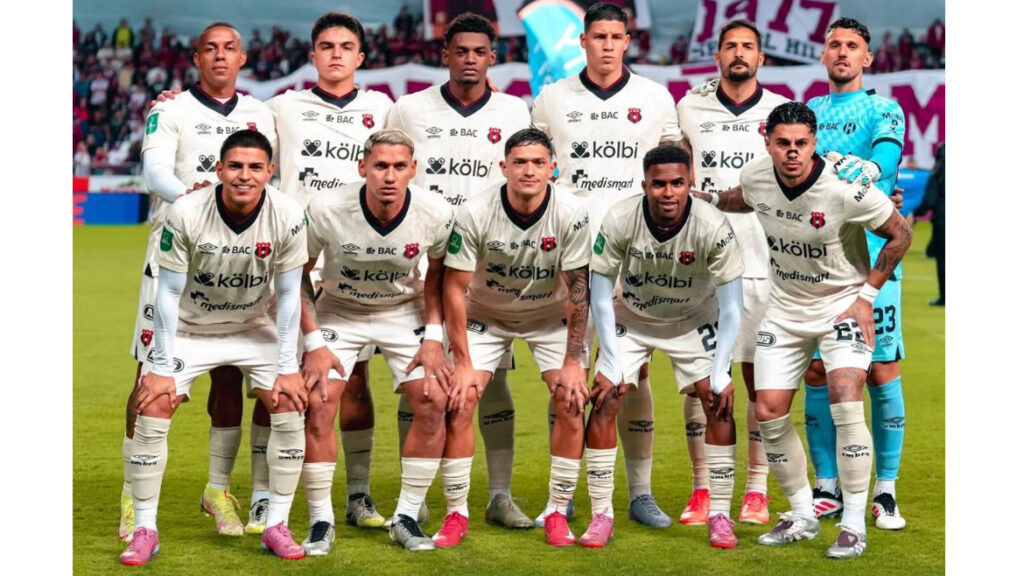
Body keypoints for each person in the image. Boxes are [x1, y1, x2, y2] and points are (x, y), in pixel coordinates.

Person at [694, 101, 912, 558]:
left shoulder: (845, 188)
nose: (792, 152)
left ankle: (853, 524)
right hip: (785, 310)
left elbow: (901, 234)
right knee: (768, 411)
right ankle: (802, 515)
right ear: (767, 143)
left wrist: (866, 297)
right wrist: (710, 200)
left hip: (841, 308)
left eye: (801, 143)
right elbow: (743, 198)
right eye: (783, 143)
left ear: (814, 144)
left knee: (845, 401)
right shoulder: (757, 176)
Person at [119, 130, 309, 565]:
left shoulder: (288, 214)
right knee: (154, 403)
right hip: (190, 327)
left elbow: (289, 295)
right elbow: (167, 294)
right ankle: (144, 528)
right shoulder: (185, 211)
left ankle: (277, 524)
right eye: (235, 166)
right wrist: (161, 366)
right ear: (219, 169)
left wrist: (287, 366)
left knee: (289, 401)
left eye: (255, 167)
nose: (245, 175)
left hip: (252, 326)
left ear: (269, 172)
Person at [123, 22, 279, 542]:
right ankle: (132, 495)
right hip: (175, 252)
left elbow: (271, 177)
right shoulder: (170, 110)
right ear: (196, 58)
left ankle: (218, 489)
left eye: (229, 48)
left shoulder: (261, 113)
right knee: (150, 373)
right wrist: (198, 202)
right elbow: (155, 174)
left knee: (230, 371)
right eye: (210, 48)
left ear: (242, 58)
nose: (219, 56)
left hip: (239, 257)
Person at [530, 1, 683, 529]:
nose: (608, 45)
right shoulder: (551, 99)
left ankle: (640, 493)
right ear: (583, 41)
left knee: (633, 374)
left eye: (617, 37)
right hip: (569, 257)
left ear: (628, 41)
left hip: (636, 256)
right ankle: (564, 491)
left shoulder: (655, 98)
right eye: (599, 36)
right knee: (567, 374)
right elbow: (539, 173)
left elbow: (672, 175)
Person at [385, 12, 533, 536]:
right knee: (421, 381)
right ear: (444, 53)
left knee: (490, 381)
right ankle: (419, 496)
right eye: (460, 50)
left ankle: (499, 495)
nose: (470, 59)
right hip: (420, 263)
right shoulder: (409, 108)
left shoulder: (514, 109)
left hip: (486, 269)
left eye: (479, 51)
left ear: (493, 56)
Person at [267, 11, 394, 536]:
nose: (336, 54)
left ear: (360, 56)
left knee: (354, 381)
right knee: (278, 379)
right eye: (326, 46)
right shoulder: (282, 107)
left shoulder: (383, 108)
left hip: (353, 263)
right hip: (292, 262)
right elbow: (237, 139)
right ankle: (264, 497)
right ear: (313, 55)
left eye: (346, 46)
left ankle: (357, 494)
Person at [300, 129, 455, 553]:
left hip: (403, 310)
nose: (389, 176)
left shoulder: (436, 211)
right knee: (319, 399)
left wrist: (434, 338)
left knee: (434, 398)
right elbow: (297, 273)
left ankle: (406, 516)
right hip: (339, 309)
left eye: (399, 166)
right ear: (362, 167)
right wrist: (313, 342)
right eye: (380, 166)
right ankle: (320, 521)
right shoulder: (326, 207)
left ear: (413, 169)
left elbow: (438, 276)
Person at [442, 128, 593, 547]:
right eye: (520, 162)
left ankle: (557, 512)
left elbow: (579, 288)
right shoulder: (475, 211)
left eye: (538, 163)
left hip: (548, 314)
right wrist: (462, 363)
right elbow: (453, 288)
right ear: (503, 167)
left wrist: (573, 361)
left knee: (571, 399)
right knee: (460, 399)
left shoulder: (572, 211)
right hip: (486, 314)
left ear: (553, 169)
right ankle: (456, 513)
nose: (529, 171)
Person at [591, 144, 744, 547]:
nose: (669, 192)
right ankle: (601, 513)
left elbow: (732, 307)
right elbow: (599, 293)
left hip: (694, 318)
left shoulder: (712, 224)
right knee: (605, 396)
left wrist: (721, 370)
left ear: (691, 181)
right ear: (645, 185)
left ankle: (720, 514)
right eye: (658, 184)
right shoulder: (621, 217)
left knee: (718, 400)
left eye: (678, 182)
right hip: (633, 317)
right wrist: (610, 361)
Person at [674, 19, 789, 527]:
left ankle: (756, 491)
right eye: (730, 46)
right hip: (701, 263)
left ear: (761, 58)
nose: (738, 53)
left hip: (765, 262)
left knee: (758, 378)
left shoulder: (780, 110)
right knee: (700, 380)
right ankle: (703, 488)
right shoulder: (689, 107)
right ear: (717, 55)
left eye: (748, 47)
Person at [803, 17, 910, 530]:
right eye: (834, 44)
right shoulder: (809, 111)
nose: (842, 52)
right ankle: (826, 486)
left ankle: (885, 491)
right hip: (816, 264)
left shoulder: (883, 108)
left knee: (881, 370)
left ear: (867, 58)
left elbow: (883, 161)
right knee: (817, 371)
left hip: (873, 259)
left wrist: (863, 171)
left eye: (852, 46)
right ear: (823, 55)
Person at [918, 142, 944, 305]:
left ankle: (945, 297)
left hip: (943, 215)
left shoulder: (939, 171)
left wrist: (917, 213)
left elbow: (931, 197)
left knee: (943, 259)